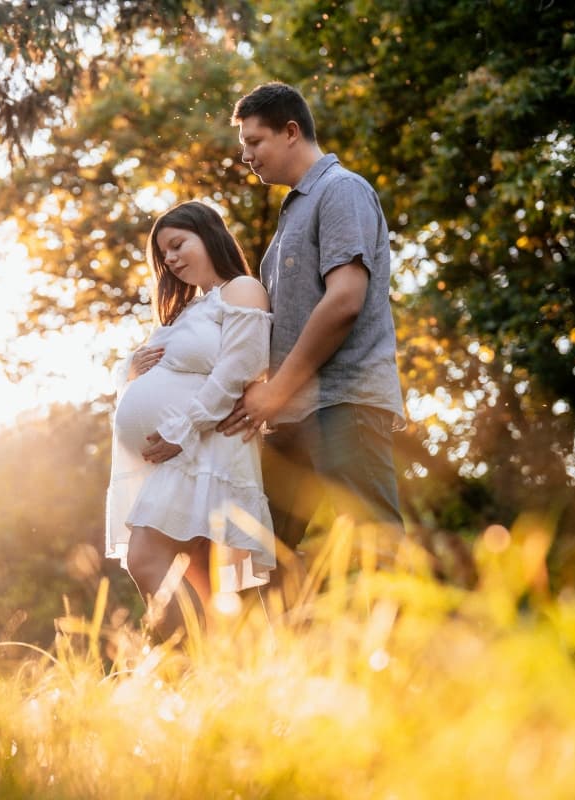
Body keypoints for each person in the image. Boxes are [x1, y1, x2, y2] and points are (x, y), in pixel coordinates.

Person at [219, 82, 405, 568]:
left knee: (377, 550)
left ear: (291, 132)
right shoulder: (291, 215)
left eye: (254, 142)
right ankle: (281, 647)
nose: (248, 157)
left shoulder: (341, 191)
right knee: (258, 554)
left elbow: (344, 301)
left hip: (343, 402)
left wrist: (277, 389)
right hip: (289, 416)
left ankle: (407, 645)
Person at [106, 201, 276, 639]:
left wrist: (182, 431)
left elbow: (238, 368)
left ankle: (190, 666)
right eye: (165, 254)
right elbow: (154, 369)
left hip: (206, 445)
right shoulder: (190, 309)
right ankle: (196, 674)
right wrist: (132, 364)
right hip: (180, 453)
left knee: (154, 560)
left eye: (178, 244)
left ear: (210, 234)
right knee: (187, 571)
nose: (172, 259)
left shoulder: (241, 289)